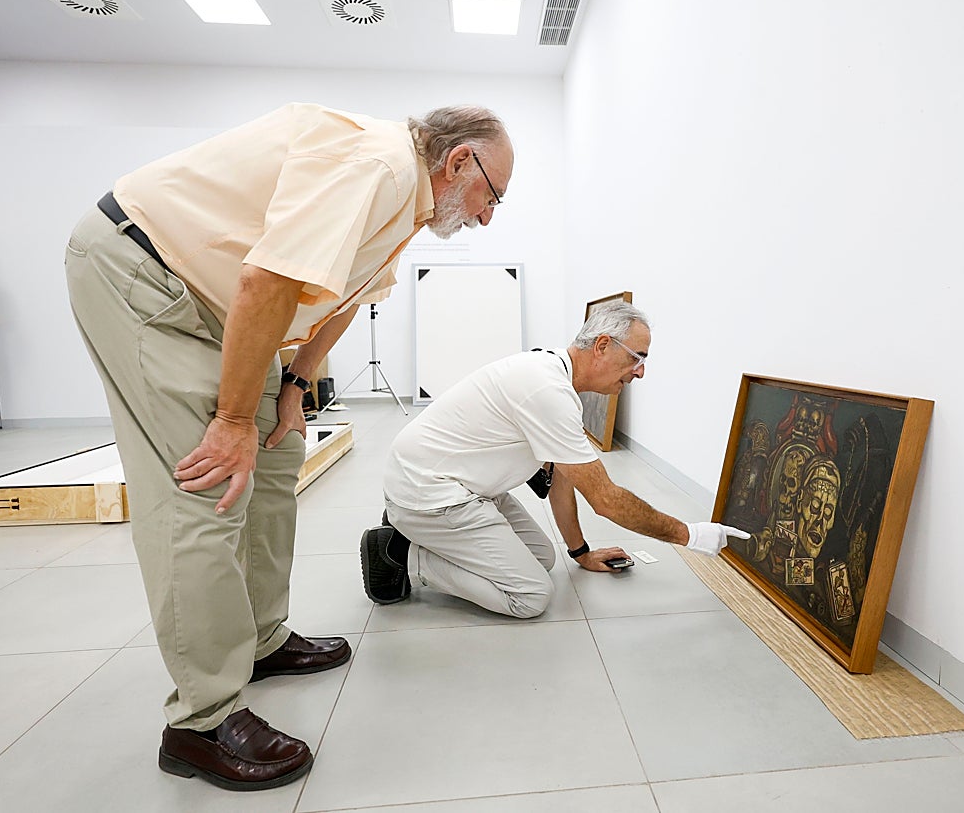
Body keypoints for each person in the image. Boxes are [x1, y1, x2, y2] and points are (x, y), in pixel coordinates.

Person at [65, 103, 513, 791]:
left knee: (277, 456)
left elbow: (341, 300)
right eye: (493, 195)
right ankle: (202, 718)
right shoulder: (379, 166)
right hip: (145, 271)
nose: (487, 216)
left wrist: (295, 384)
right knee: (206, 484)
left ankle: (262, 638)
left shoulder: (408, 208)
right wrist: (234, 418)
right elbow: (267, 279)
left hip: (224, 307)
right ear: (459, 162)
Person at [364, 302, 750, 618]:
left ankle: (423, 534)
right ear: (602, 345)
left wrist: (581, 553)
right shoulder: (548, 391)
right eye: (638, 357)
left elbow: (563, 482)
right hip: (430, 492)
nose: (641, 372)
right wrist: (691, 535)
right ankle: (401, 552)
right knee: (531, 597)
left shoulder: (553, 376)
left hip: (464, 483)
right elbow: (606, 499)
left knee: (544, 557)